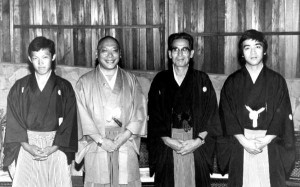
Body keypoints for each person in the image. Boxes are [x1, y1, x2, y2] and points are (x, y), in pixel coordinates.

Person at [219, 29, 295, 187]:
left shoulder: (277, 81)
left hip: (270, 143)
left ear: (265, 50)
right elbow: (227, 115)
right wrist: (244, 141)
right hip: (240, 144)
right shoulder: (232, 83)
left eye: (257, 47)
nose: (252, 52)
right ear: (241, 53)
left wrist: (266, 139)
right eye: (247, 48)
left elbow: (283, 114)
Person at [147, 32, 222, 187]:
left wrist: (198, 141)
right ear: (169, 54)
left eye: (185, 50)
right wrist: (168, 140)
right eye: (175, 50)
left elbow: (211, 115)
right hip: (168, 145)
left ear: (192, 53)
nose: (180, 54)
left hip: (196, 145)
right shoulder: (160, 81)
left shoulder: (202, 80)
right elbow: (154, 117)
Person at [3, 36, 78, 187]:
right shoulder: (20, 87)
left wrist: (54, 147)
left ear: (53, 57)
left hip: (57, 146)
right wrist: (27, 146)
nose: (40, 62)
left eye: (45, 57)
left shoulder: (64, 87)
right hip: (27, 145)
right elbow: (14, 121)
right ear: (30, 59)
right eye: (35, 58)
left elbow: (69, 121)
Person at [75, 36, 147, 187]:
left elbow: (140, 111)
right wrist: (101, 140)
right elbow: (80, 116)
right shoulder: (84, 82)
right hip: (96, 143)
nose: (110, 55)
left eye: (114, 51)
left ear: (120, 54)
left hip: (125, 141)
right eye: (104, 51)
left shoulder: (131, 80)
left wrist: (125, 135)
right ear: (96, 54)